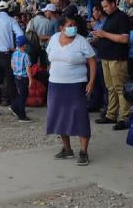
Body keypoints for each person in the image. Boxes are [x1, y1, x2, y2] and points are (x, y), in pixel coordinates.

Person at [46, 14, 97, 166]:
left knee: (79, 116)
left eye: (74, 25)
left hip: (75, 85)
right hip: (56, 84)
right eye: (69, 25)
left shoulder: (81, 41)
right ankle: (66, 148)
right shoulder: (54, 38)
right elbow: (49, 56)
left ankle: (83, 151)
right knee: (60, 116)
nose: (73, 28)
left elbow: (92, 61)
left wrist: (91, 82)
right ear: (61, 28)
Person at [92, 0, 132, 131]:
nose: (104, 9)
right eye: (102, 7)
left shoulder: (122, 18)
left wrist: (104, 34)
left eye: (106, 6)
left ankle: (124, 117)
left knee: (120, 88)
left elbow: (124, 39)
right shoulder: (109, 18)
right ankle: (111, 114)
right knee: (110, 88)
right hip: (106, 57)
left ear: (114, 4)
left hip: (117, 58)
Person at [87, 4, 108, 113]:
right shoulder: (97, 24)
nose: (93, 14)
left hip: (103, 57)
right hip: (96, 56)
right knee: (96, 83)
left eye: (94, 11)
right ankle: (96, 103)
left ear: (99, 12)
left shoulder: (106, 23)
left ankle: (107, 107)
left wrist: (94, 41)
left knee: (105, 84)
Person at [11, 35, 33, 122]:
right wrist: (30, 79)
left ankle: (14, 106)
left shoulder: (14, 54)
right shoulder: (26, 56)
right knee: (23, 96)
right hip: (23, 78)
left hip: (16, 76)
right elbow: (28, 68)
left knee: (22, 94)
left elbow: (12, 65)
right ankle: (21, 115)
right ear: (24, 45)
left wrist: (15, 71)